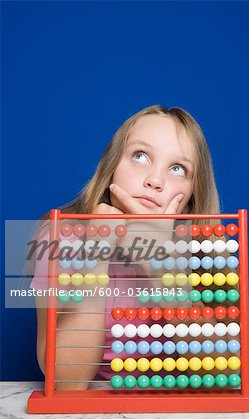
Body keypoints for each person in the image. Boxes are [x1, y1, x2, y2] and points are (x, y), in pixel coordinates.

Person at [31, 105, 229, 391]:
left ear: (190, 196)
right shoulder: (60, 237)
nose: (155, 180)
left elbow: (224, 377)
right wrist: (96, 255)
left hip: (174, 414)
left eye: (178, 169)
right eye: (140, 156)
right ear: (112, 166)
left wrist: (158, 262)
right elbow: (66, 383)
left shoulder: (201, 247)